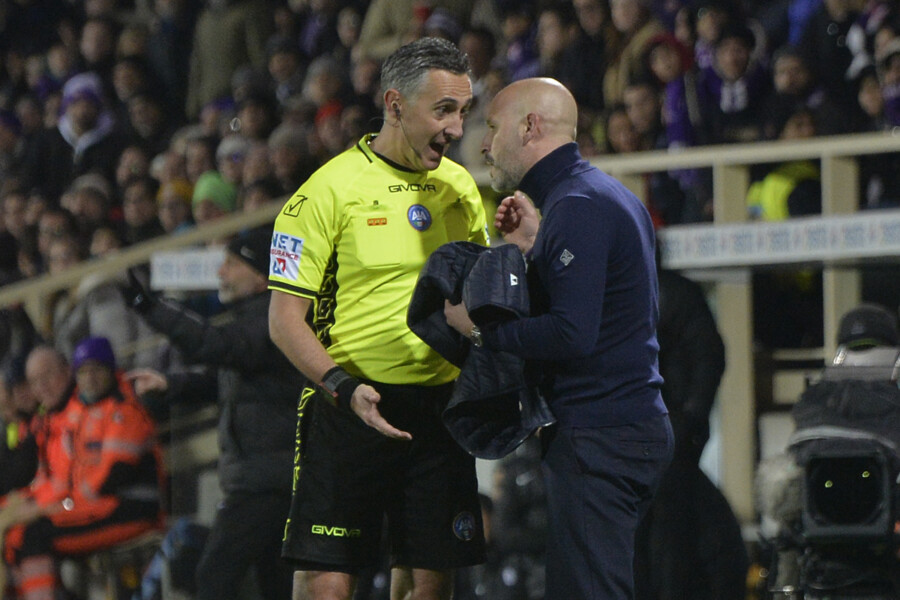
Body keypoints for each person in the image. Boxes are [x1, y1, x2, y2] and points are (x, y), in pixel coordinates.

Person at [267, 37, 488, 600]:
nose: (458, 128)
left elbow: (477, 302)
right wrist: (343, 387)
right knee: (329, 583)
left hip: (440, 411)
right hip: (348, 408)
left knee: (429, 585)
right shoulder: (324, 192)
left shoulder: (460, 189)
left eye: (463, 111)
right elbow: (284, 319)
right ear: (394, 105)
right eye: (444, 111)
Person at [443, 77, 673, 600]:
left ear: (531, 127)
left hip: (601, 432)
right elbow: (611, 307)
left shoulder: (578, 205)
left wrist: (479, 328)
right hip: (620, 427)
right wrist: (535, 248)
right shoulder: (598, 194)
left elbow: (573, 333)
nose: (483, 143)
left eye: (494, 128)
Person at [124, 227, 305, 600]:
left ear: (259, 276)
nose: (220, 273)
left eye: (230, 264)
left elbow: (215, 346)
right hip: (272, 476)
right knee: (275, 585)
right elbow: (224, 378)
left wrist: (151, 308)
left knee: (213, 576)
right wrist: (170, 385)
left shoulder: (271, 321)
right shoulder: (257, 322)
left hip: (264, 480)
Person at [1, 339, 165, 600]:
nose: (90, 379)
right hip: (95, 504)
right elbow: (65, 482)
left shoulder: (117, 407)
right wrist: (28, 505)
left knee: (32, 536)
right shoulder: (71, 413)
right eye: (84, 372)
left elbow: (108, 479)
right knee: (15, 534)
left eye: (96, 370)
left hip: (128, 506)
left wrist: (55, 507)